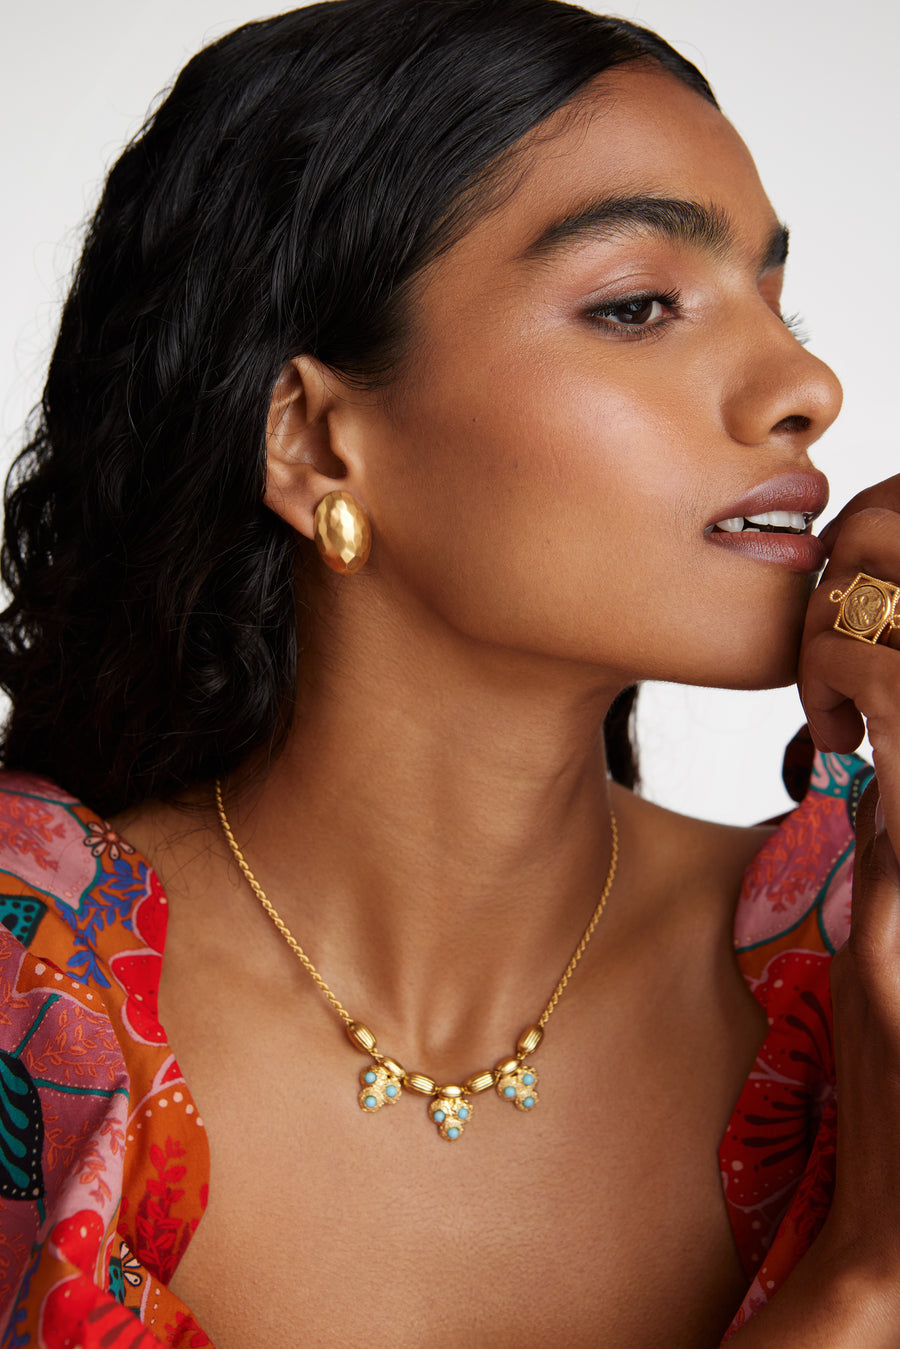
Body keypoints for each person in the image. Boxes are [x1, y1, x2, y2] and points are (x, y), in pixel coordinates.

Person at [1, 0, 899, 1344]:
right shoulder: (29, 999)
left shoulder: (865, 955)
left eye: (778, 300)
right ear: (314, 441)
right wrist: (869, 1275)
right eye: (638, 304)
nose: (807, 384)